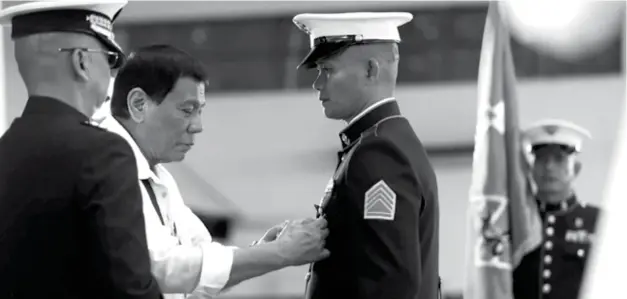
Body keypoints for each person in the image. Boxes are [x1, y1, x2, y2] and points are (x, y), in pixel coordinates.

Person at [102, 44, 330, 299]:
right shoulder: (104, 166)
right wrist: (279, 253)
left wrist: (266, 249)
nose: (197, 126)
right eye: (187, 110)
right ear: (139, 104)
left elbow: (200, 265)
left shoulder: (158, 175)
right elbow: (164, 268)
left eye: (200, 111)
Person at [0, 1, 162, 299]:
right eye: (111, 58)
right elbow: (131, 290)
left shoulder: (5, 151)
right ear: (82, 62)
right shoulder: (103, 154)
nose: (114, 73)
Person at [292, 12, 440, 299]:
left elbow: (388, 285)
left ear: (371, 70)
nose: (317, 84)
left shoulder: (379, 153)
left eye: (328, 70)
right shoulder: (386, 140)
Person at [513, 119, 599, 299]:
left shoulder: (599, 222)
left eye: (559, 159)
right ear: (531, 169)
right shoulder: (513, 220)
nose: (549, 167)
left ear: (576, 169)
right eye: (542, 159)